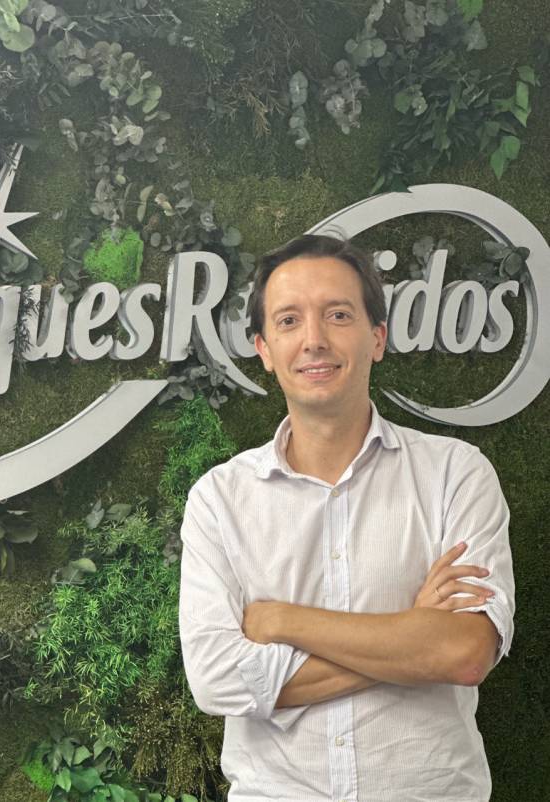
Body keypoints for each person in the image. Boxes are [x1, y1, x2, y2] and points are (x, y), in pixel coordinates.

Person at [177, 234, 515, 802]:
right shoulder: (219, 499)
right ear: (264, 349)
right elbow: (216, 680)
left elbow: (464, 652)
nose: (314, 340)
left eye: (337, 315)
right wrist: (413, 637)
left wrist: (283, 620)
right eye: (289, 321)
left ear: (377, 337)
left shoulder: (456, 474)